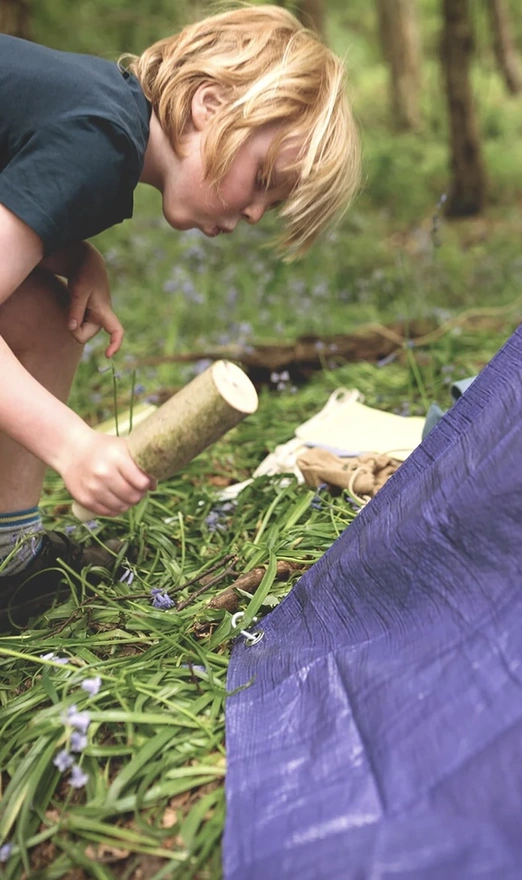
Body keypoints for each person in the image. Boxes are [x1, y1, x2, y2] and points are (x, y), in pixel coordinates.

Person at [0, 4, 361, 624]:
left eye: (271, 206)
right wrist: (73, 446)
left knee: (46, 319)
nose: (253, 214)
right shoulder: (103, 138)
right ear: (210, 105)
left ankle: (9, 558)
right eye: (263, 178)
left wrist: (72, 251)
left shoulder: (107, 120)